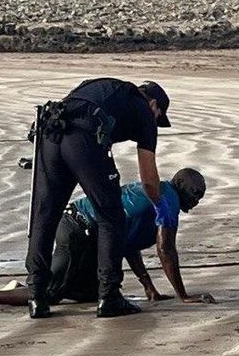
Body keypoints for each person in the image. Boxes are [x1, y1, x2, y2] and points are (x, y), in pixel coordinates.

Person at [0, 169, 215, 310]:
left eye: (201, 196)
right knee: (49, 296)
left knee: (91, 292)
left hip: (79, 225)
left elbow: (126, 244)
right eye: (196, 194)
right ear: (181, 186)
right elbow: (166, 249)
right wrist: (183, 296)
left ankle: (21, 288)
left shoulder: (159, 191)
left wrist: (149, 288)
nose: (196, 201)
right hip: (79, 229)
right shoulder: (168, 202)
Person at [26, 77, 173, 319]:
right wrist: (160, 205)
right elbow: (148, 179)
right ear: (154, 105)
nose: (155, 121)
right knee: (111, 216)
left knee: (44, 216)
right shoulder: (144, 111)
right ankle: (109, 296)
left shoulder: (102, 87)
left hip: (51, 130)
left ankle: (36, 296)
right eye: (158, 117)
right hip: (85, 137)